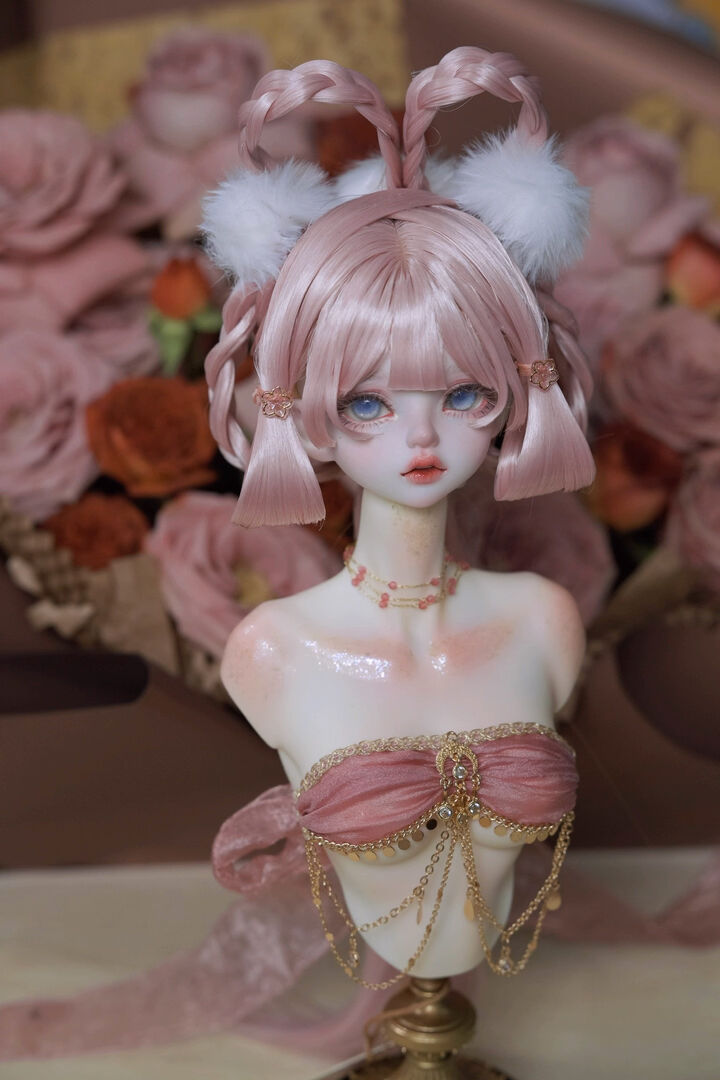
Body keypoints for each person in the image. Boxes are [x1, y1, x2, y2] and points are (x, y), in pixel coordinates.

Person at [203, 46, 594, 984]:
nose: (423, 437)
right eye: (369, 403)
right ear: (304, 411)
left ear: (516, 388)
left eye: (463, 395)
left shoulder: (543, 619)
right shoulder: (272, 650)